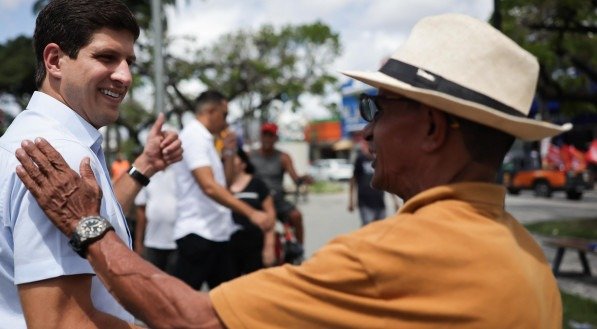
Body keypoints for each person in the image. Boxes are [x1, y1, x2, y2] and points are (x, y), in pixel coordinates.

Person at [15, 13, 567, 328]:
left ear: (431, 129)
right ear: (56, 61)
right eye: (108, 58)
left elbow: (196, 320)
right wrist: (138, 174)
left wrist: (89, 226)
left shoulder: (401, 252)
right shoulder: (524, 253)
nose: (365, 133)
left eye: (377, 111)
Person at [0, 0, 183, 328]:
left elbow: (90, 219)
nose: (125, 76)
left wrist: (144, 167)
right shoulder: (56, 156)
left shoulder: (33, 138)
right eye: (106, 57)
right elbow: (60, 321)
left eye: (129, 61)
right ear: (55, 60)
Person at [172, 90, 272, 290]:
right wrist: (251, 212)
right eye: (224, 115)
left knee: (225, 302)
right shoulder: (194, 136)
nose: (226, 122)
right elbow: (209, 187)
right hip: (198, 234)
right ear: (210, 111)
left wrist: (228, 152)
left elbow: (222, 183)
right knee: (182, 306)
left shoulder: (207, 139)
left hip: (217, 233)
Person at [250, 122, 311, 248]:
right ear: (260, 137)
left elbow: (295, 179)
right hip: (258, 201)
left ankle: (299, 249)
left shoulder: (283, 157)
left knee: (296, 216)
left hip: (277, 201)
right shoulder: (251, 156)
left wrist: (304, 179)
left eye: (270, 136)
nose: (267, 139)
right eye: (265, 135)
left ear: (275, 138)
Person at [229, 147, 277, 273]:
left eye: (233, 158)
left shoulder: (257, 185)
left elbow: (270, 216)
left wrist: (269, 246)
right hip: (227, 247)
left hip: (255, 245)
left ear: (243, 163)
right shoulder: (220, 187)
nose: (228, 161)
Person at [134, 166, 178, 273]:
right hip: (152, 243)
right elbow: (141, 211)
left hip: (178, 244)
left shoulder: (181, 172)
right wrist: (138, 243)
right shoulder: (147, 175)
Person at [348, 141, 388, 226]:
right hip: (365, 201)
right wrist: (351, 201)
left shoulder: (379, 159)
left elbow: (386, 180)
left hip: (379, 201)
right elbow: (353, 180)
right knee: (367, 227)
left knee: (381, 228)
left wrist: (395, 201)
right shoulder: (360, 159)